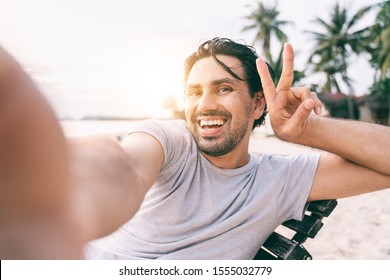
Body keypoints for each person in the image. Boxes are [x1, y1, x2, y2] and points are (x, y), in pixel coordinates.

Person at [0, 38, 389, 260]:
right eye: (194, 92)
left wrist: (308, 130)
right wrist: (59, 206)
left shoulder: (281, 178)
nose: (204, 105)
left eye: (224, 88)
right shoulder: (169, 142)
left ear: (257, 104)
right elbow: (121, 169)